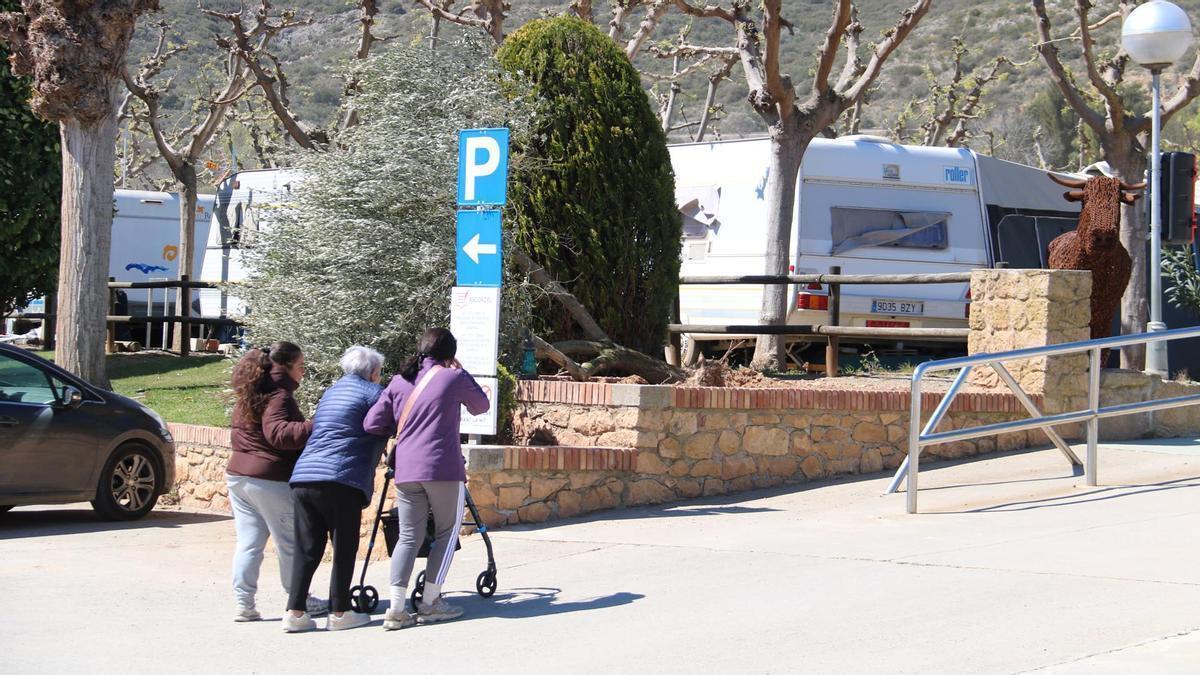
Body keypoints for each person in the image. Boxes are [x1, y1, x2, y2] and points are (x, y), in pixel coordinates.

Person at [363, 328, 489, 630]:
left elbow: (372, 423)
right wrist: (461, 371)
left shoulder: (398, 381)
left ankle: (395, 608)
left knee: (408, 536)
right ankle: (431, 602)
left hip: (406, 470)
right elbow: (481, 406)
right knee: (446, 533)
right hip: (442, 468)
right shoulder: (453, 377)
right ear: (450, 354)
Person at [282, 346, 388, 633]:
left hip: (304, 477)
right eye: (379, 372)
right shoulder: (374, 394)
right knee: (344, 546)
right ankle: (340, 611)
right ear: (373, 373)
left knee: (307, 548)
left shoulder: (330, 392)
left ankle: (295, 611)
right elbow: (387, 423)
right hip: (341, 478)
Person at [227, 341, 325, 622]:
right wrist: (316, 425)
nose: (304, 372)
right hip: (269, 479)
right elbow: (280, 434)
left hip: (238, 475)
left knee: (249, 543)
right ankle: (299, 599)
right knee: (289, 542)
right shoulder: (279, 395)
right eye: (301, 366)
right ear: (288, 367)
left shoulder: (252, 388)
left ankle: (243, 604)